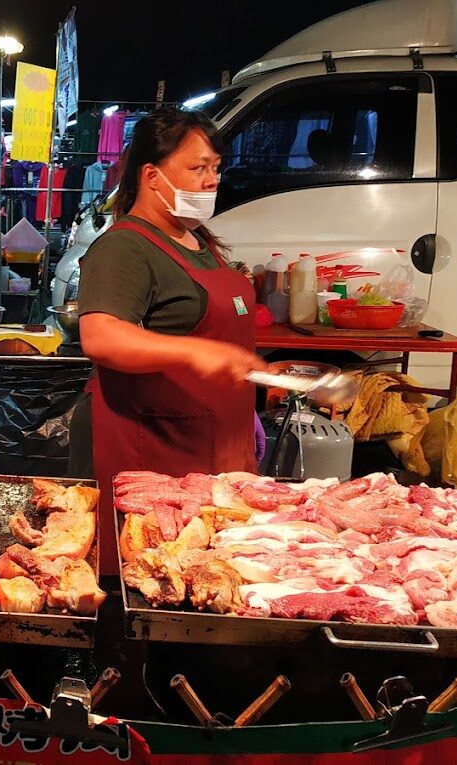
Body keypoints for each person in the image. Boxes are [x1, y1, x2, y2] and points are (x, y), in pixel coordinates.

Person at [78, 107, 267, 573]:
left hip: (215, 449)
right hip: (157, 453)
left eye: (216, 168)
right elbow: (101, 335)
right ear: (152, 175)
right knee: (152, 579)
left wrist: (260, 374)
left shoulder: (199, 242)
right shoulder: (125, 246)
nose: (211, 181)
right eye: (198, 167)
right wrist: (193, 351)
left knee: (211, 583)